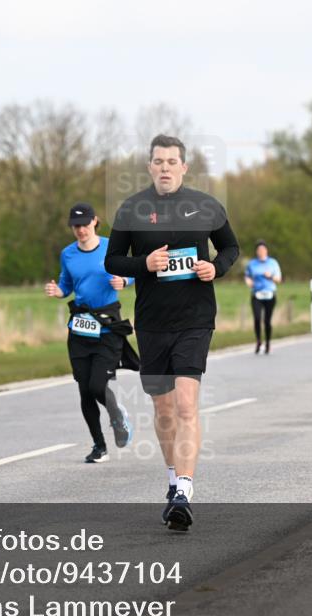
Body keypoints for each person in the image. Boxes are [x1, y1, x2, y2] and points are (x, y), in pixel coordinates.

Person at [105, 134, 240, 531]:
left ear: (184, 167)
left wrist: (216, 268)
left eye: (171, 161)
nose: (164, 167)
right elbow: (113, 259)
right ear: (149, 167)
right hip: (151, 322)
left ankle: (184, 488)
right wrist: (144, 263)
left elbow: (231, 248)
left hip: (195, 319)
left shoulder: (205, 206)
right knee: (163, 411)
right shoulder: (132, 210)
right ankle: (171, 479)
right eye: (158, 161)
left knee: (185, 405)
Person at [45, 203, 137, 463]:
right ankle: (99, 446)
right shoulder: (68, 254)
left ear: (95, 221)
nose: (81, 230)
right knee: (85, 391)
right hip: (80, 326)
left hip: (107, 325)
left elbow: (135, 271)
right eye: (76, 226)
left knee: (98, 384)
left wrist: (124, 281)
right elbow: (67, 284)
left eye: (85, 224)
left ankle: (117, 415)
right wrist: (58, 292)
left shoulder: (112, 246)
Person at [244, 240, 282, 354]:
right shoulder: (252, 264)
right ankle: (258, 341)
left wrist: (270, 276)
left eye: (262, 249)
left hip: (270, 294)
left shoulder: (273, 263)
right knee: (257, 319)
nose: (260, 252)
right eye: (258, 250)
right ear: (256, 251)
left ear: (266, 250)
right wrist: (249, 282)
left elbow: (279, 279)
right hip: (257, 294)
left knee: (267, 321)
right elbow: (247, 276)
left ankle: (268, 343)